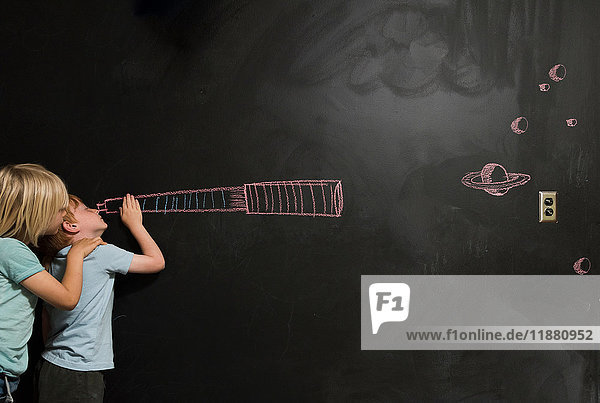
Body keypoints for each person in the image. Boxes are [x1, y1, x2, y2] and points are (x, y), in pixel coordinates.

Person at [35, 193, 165, 402]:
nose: (96, 210)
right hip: (79, 370)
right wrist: (135, 225)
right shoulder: (100, 253)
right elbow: (156, 261)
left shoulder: (50, 262)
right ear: (70, 225)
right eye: (87, 209)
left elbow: (45, 316)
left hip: (50, 364)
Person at [0, 164, 104, 403]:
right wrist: (76, 254)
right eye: (59, 210)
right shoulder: (12, 250)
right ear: (37, 212)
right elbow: (67, 299)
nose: (63, 215)